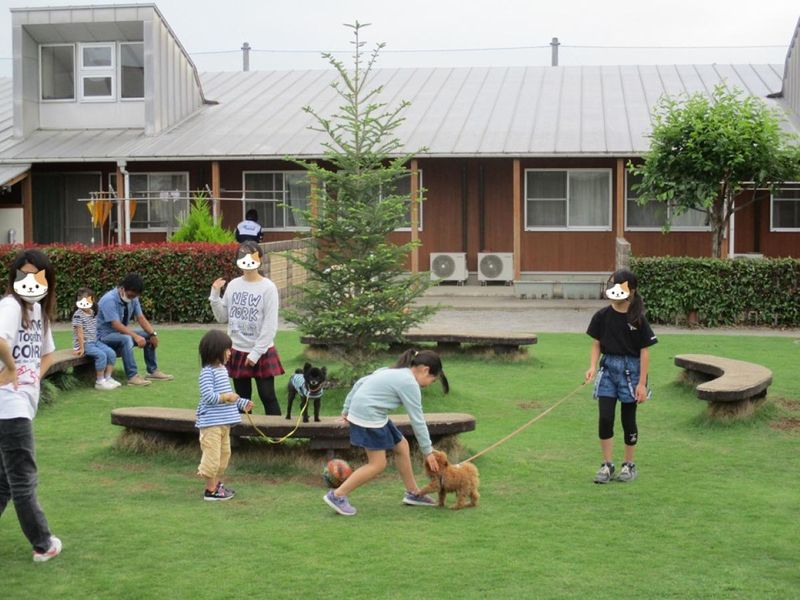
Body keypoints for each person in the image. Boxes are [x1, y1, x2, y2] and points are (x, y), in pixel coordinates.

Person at [323, 349, 450, 516]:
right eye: (432, 380)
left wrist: (347, 409)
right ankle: (337, 495)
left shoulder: (394, 371)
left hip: (371, 413)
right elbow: (417, 420)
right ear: (425, 370)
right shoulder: (409, 383)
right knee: (377, 464)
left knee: (402, 446)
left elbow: (361, 382)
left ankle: (413, 493)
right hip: (369, 416)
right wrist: (428, 451)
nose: (428, 384)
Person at [0, 249, 62, 562]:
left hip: (16, 404)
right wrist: (11, 369)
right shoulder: (11, 306)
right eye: (22, 276)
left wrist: (31, 377)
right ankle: (43, 543)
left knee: (4, 481)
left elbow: (47, 353)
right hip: (8, 408)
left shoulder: (36, 310)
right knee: (23, 480)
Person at [584, 269, 658, 484]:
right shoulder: (602, 316)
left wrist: (642, 384)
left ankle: (628, 464)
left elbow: (645, 351)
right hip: (607, 370)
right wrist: (591, 366)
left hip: (631, 371)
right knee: (605, 417)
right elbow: (596, 342)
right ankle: (607, 465)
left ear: (631, 291)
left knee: (628, 419)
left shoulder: (638, 319)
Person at [209, 241, 284, 415]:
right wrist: (214, 294)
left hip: (262, 350)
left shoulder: (268, 288)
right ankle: (241, 438)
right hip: (237, 350)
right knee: (241, 399)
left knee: (268, 396)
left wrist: (256, 353)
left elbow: (270, 324)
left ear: (260, 260)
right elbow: (222, 317)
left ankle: (276, 440)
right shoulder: (234, 285)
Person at [196, 329, 253, 501]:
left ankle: (218, 485)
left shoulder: (222, 370)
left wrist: (242, 403)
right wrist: (225, 397)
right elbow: (209, 397)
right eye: (227, 349)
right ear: (215, 351)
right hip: (211, 423)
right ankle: (210, 490)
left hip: (223, 423)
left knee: (224, 455)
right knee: (212, 457)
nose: (230, 352)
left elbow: (229, 393)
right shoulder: (207, 372)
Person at [96, 273, 173, 386]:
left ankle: (153, 371)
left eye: (135, 295)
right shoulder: (109, 300)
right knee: (127, 338)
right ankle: (132, 376)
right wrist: (135, 336)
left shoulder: (133, 298)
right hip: (103, 337)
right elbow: (116, 324)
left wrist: (153, 334)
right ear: (122, 288)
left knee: (147, 336)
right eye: (131, 295)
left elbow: (140, 318)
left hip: (118, 333)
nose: (133, 298)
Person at [72, 287, 121, 391]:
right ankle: (100, 381)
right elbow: (79, 333)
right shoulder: (78, 315)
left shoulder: (92, 312)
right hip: (85, 343)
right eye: (79, 300)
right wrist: (81, 348)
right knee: (101, 355)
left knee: (111, 353)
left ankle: (108, 378)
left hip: (95, 341)